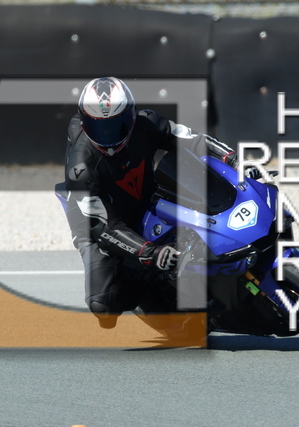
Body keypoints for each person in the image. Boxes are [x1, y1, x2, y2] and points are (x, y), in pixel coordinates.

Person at [63, 77, 251, 329]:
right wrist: (149, 253)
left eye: (117, 126)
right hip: (98, 221)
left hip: (146, 195)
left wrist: (233, 158)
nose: (108, 137)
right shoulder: (81, 167)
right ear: (84, 122)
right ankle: (144, 289)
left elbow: (191, 138)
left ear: (131, 114)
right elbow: (103, 227)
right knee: (104, 305)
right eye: (99, 128)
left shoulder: (146, 123)